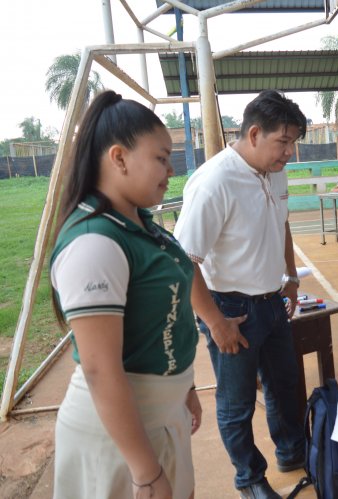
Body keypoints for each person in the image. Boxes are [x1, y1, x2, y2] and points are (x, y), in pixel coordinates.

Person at [50, 90, 200, 499]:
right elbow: (101, 370)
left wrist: (184, 389)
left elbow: (162, 316)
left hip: (157, 418)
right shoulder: (94, 243)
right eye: (161, 157)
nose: (171, 169)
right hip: (118, 438)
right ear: (118, 158)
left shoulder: (139, 223)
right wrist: (146, 470)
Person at [174, 90, 307, 499]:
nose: (289, 153)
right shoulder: (215, 181)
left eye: (293, 143)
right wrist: (215, 322)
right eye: (283, 142)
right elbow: (183, 259)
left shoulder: (275, 170)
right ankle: (249, 478)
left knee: (285, 387)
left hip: (271, 300)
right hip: (231, 308)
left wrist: (290, 277)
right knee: (237, 403)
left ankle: (293, 452)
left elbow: (281, 223)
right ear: (253, 133)